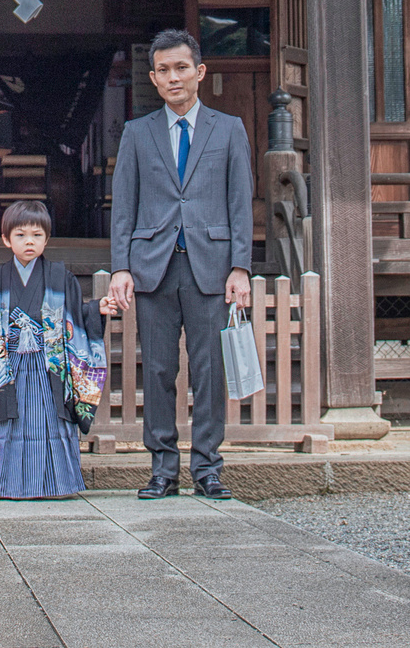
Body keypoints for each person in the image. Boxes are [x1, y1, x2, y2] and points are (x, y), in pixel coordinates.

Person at [102, 28, 253, 499]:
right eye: (163, 70)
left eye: (181, 68)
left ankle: (207, 468)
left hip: (211, 265)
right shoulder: (137, 132)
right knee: (161, 370)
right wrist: (121, 266)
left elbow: (240, 202)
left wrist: (241, 268)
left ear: (199, 72)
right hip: (154, 266)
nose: (173, 78)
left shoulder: (228, 129)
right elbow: (123, 205)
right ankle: (163, 469)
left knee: (211, 371)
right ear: (153, 76)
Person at [0, 198, 106, 499]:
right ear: (7, 240)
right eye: (20, 235)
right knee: (13, 425)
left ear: (47, 238)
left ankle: (59, 485)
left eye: (37, 235)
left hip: (50, 368)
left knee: (51, 422)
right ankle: (11, 486)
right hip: (9, 370)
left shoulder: (62, 276)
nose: (29, 242)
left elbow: (77, 313)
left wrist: (97, 309)